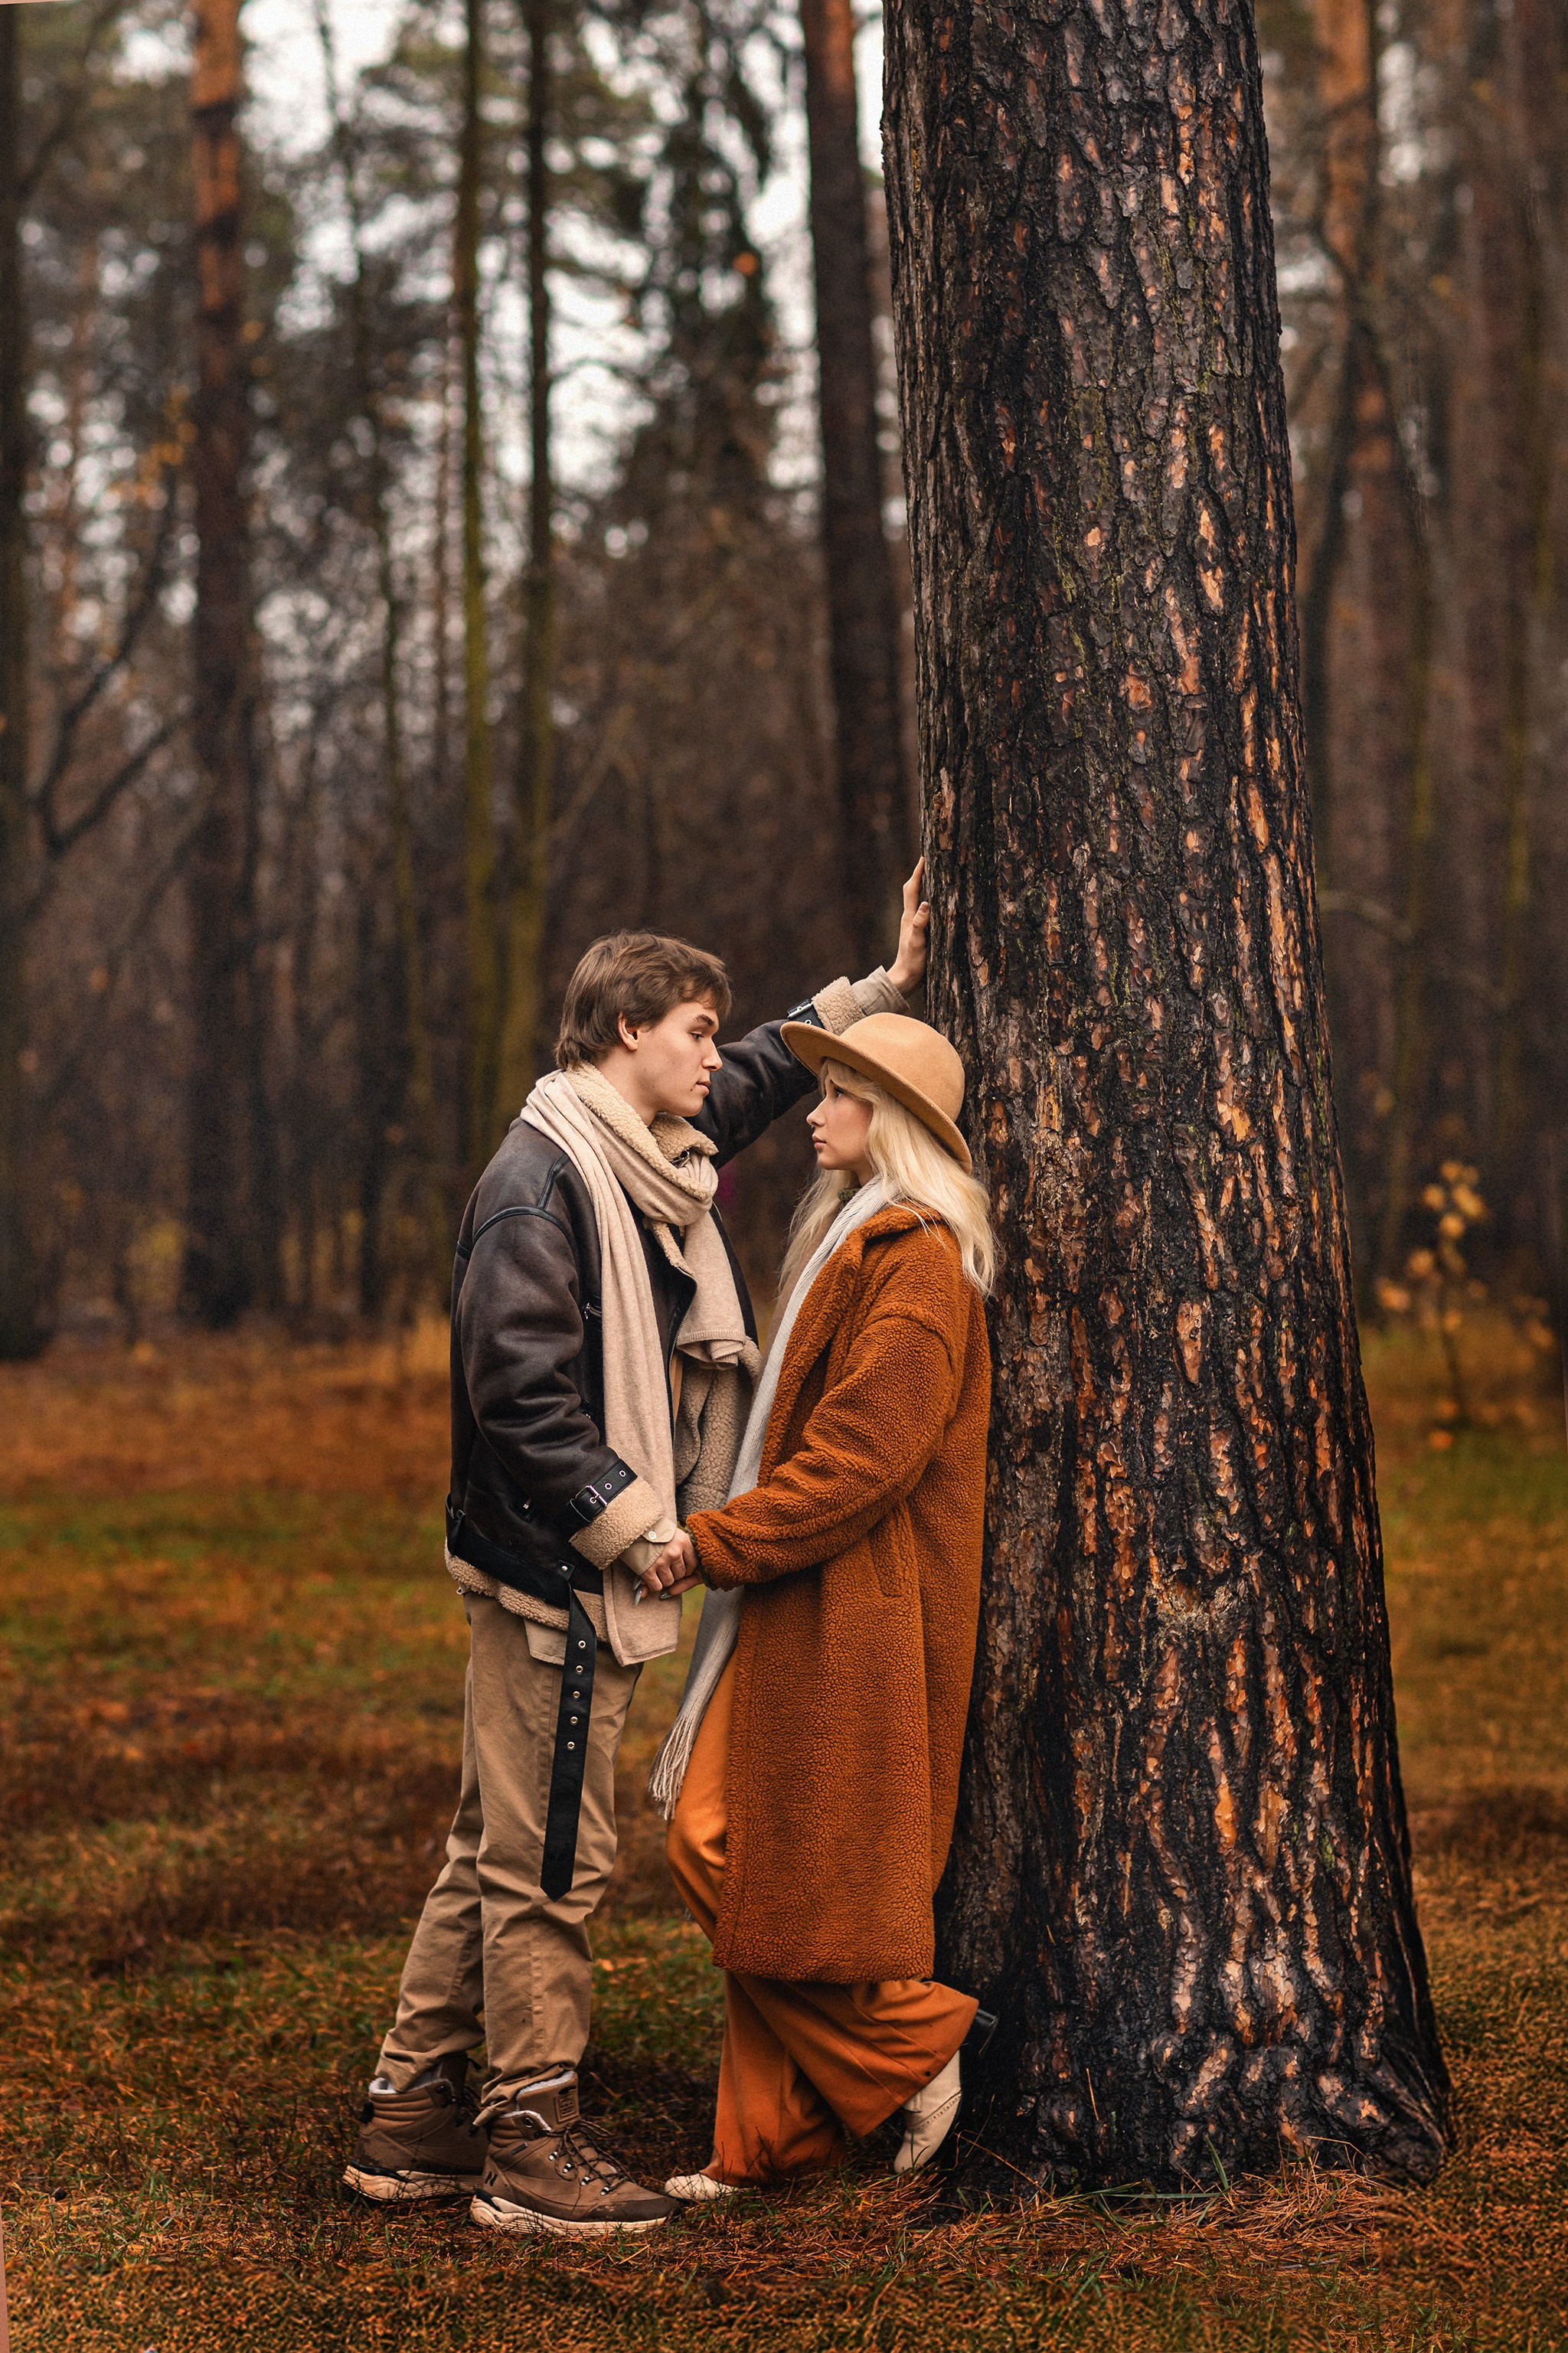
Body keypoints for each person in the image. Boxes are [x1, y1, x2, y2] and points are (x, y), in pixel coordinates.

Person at [342, 871, 932, 2237]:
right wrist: (640, 1529)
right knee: (552, 1854)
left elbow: (762, 1084)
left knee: (493, 1835)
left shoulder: (632, 1148)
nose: (713, 1061)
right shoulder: (537, 1189)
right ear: (623, 1032)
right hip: (557, 1574)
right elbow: (522, 1398)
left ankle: (409, 2108)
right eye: (694, 1031)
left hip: (563, 1566)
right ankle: (530, 2139)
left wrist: (880, 986)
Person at [639, 1008, 995, 2193]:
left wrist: (714, 1542)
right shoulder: (856, 1239)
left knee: (721, 1847)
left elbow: (861, 1461)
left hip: (860, 1612)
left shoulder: (920, 1261)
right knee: (759, 1864)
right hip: (808, 1600)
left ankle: (907, 2045)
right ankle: (771, 2138)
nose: (818, 1110)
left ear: (888, 1119)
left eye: (838, 1091)